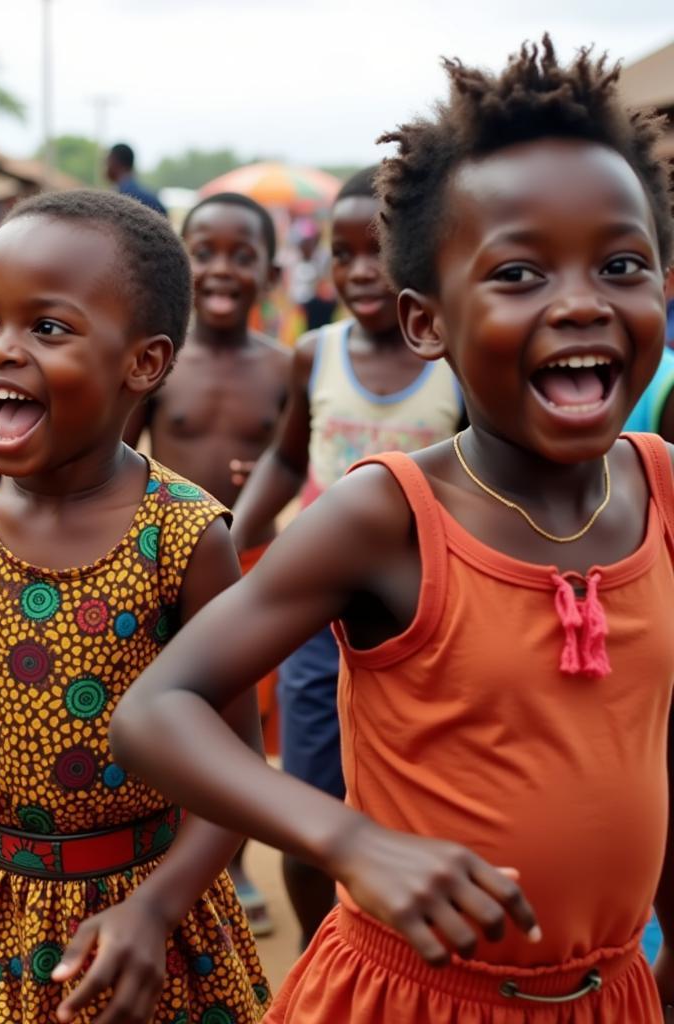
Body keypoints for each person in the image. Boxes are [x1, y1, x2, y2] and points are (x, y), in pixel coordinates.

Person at [114, 38, 674, 1022]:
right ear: (426, 321)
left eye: (620, 262)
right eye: (519, 273)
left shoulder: (664, 493)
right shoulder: (389, 517)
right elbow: (155, 712)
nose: (581, 301)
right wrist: (348, 840)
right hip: (408, 999)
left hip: (607, 994)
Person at [0, 189, 269, 1023]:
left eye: (47, 328)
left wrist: (159, 906)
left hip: (155, 918)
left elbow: (238, 770)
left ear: (143, 363)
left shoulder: (184, 536)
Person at [230, 164, 463, 948]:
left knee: (426, 806)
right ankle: (316, 952)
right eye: (342, 252)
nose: (361, 270)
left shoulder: (455, 361)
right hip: (319, 621)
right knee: (310, 804)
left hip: (434, 621)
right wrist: (231, 546)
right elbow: (289, 460)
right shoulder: (317, 355)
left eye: (380, 251)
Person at [124, 191, 287, 936]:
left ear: (271, 272)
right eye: (205, 251)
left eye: (242, 254)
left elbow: (299, 463)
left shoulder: (284, 369)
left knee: (237, 716)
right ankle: (155, 850)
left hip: (255, 571)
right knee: (165, 707)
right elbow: (117, 453)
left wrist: (270, 479)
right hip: (162, 565)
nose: (222, 269)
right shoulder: (159, 362)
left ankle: (236, 866)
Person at [105, 143, 167, 217]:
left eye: (107, 162)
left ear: (114, 161)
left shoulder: (117, 199)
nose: (105, 168)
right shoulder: (153, 199)